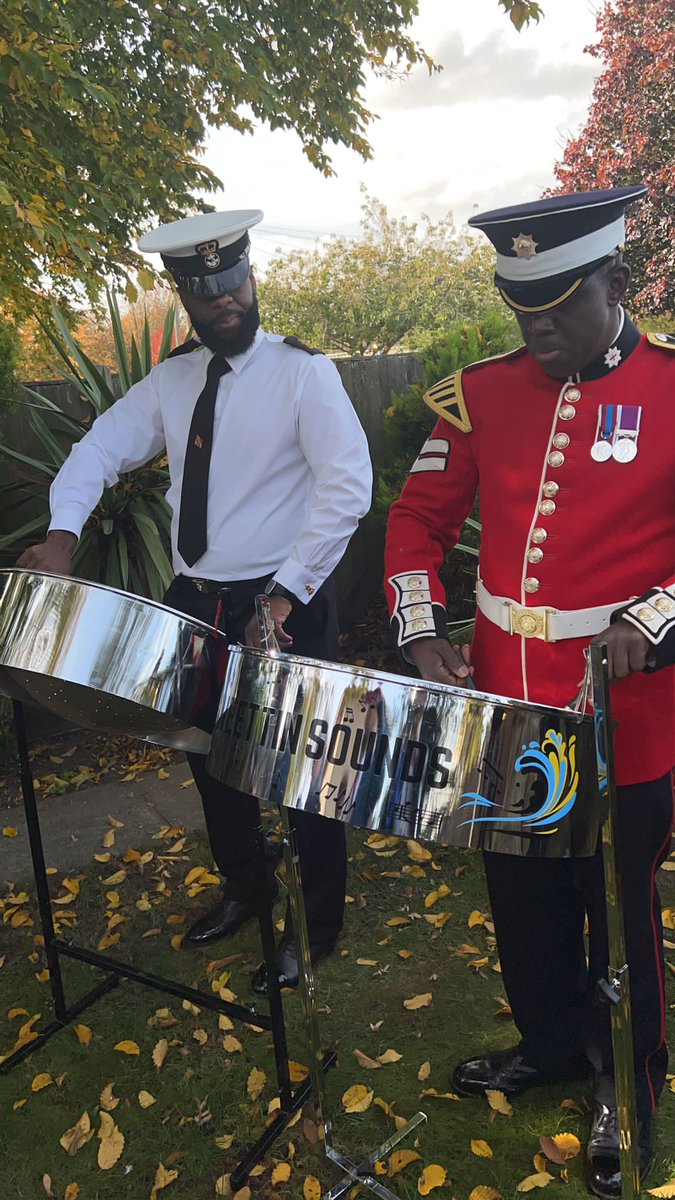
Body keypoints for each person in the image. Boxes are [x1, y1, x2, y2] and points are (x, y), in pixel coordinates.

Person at [383, 185, 675, 1198]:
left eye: (561, 305)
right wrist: (423, 638)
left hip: (627, 718)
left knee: (622, 920)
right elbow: (416, 524)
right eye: (524, 309)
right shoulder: (480, 394)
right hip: (507, 709)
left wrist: (660, 614)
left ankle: (628, 1081)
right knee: (525, 905)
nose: (539, 328)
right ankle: (550, 1045)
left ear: (619, 283)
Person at [19, 209, 373, 994]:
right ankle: (248, 886)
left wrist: (286, 594)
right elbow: (99, 448)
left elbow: (347, 489)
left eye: (233, 283)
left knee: (304, 771)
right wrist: (65, 532)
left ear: (252, 280)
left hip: (285, 597)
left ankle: (316, 928)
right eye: (204, 290)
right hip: (197, 598)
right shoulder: (173, 379)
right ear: (184, 295)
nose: (224, 301)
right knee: (208, 760)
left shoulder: (303, 373)